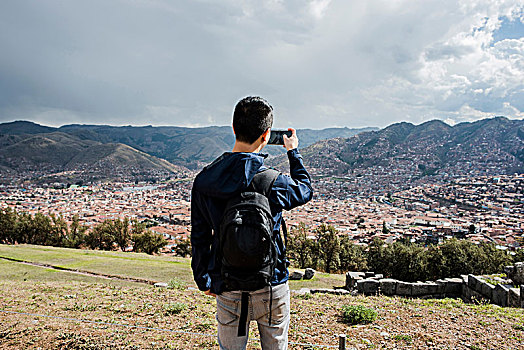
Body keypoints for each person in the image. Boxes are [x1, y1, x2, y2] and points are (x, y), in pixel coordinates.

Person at [191, 96, 313, 349]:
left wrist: (203, 279)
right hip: (271, 281)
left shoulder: (205, 181)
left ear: (234, 129)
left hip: (226, 282)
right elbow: (304, 190)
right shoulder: (273, 181)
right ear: (266, 135)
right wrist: (293, 152)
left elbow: (200, 236)